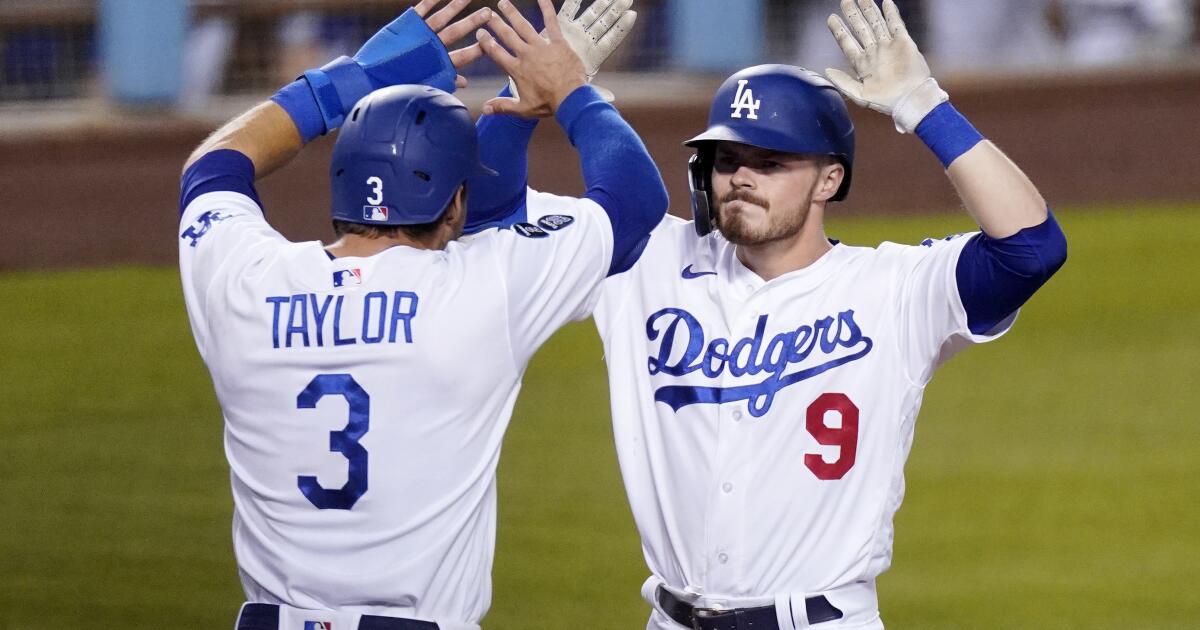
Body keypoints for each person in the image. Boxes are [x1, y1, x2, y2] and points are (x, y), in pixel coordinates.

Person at [471, 0, 1067, 627]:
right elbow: (479, 218)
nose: (741, 178)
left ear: (828, 180)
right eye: (727, 160)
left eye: (772, 163)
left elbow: (1031, 249)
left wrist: (925, 107)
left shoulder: (894, 290)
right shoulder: (641, 257)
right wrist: (526, 98)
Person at [176, 0, 664, 627]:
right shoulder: (480, 290)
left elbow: (214, 166)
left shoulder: (242, 282)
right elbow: (632, 202)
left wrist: (348, 81)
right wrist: (564, 91)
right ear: (453, 205)